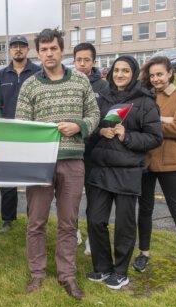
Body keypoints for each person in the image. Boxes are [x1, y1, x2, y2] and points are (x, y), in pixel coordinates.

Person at [15, 28, 100, 299]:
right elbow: (22, 124)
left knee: (68, 223)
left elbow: (95, 113)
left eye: (53, 48)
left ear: (61, 49)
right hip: (40, 163)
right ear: (37, 53)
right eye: (43, 49)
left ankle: (67, 275)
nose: (48, 53)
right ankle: (37, 274)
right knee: (36, 222)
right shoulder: (30, 84)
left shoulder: (80, 81)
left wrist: (79, 125)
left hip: (72, 161)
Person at [85, 55, 162, 290]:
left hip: (127, 171)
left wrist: (125, 135)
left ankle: (120, 271)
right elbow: (91, 126)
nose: (119, 74)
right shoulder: (101, 98)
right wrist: (101, 132)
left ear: (134, 74)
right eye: (116, 70)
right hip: (100, 169)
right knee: (95, 220)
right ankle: (103, 267)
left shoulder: (145, 101)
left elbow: (154, 137)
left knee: (124, 225)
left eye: (125, 71)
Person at [134, 56, 176, 280]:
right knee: (145, 210)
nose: (155, 79)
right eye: (152, 75)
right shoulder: (146, 95)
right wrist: (164, 120)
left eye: (160, 74)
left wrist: (153, 122)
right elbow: (140, 125)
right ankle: (144, 253)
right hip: (147, 162)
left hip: (172, 162)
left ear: (170, 73)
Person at [0, 35, 40, 234]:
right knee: (7, 178)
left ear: (28, 50)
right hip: (7, 134)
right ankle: (7, 219)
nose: (18, 50)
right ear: (9, 51)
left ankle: (33, 217)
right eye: (14, 47)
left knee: (31, 178)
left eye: (21, 46)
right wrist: (3, 127)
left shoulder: (38, 73)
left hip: (32, 133)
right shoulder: (0, 76)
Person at [73, 42, 110, 255]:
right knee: (71, 196)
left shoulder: (103, 86)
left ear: (93, 62)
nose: (83, 64)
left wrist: (92, 131)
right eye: (79, 60)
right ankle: (74, 231)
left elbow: (102, 117)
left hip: (94, 151)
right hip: (73, 149)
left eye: (87, 60)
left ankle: (92, 237)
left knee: (94, 197)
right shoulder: (69, 81)